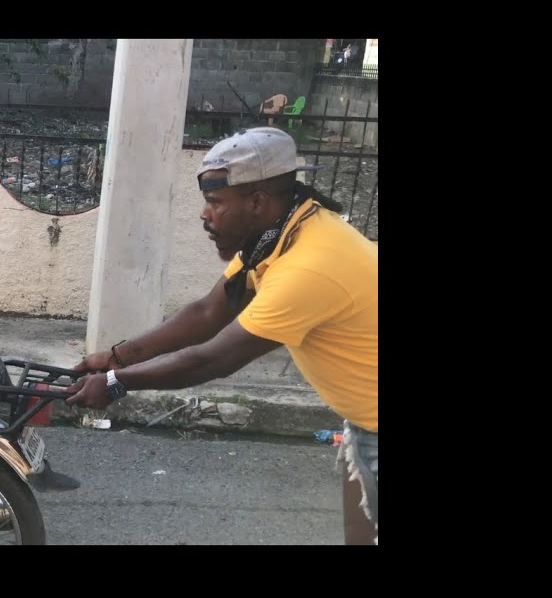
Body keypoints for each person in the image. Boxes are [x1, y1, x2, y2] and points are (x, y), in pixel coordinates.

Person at [65, 127, 377, 545]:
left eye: (214, 202)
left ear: (257, 201)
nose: (203, 214)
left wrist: (118, 384)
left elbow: (213, 359)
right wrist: (120, 356)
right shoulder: (281, 235)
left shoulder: (309, 266)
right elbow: (211, 309)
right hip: (365, 421)